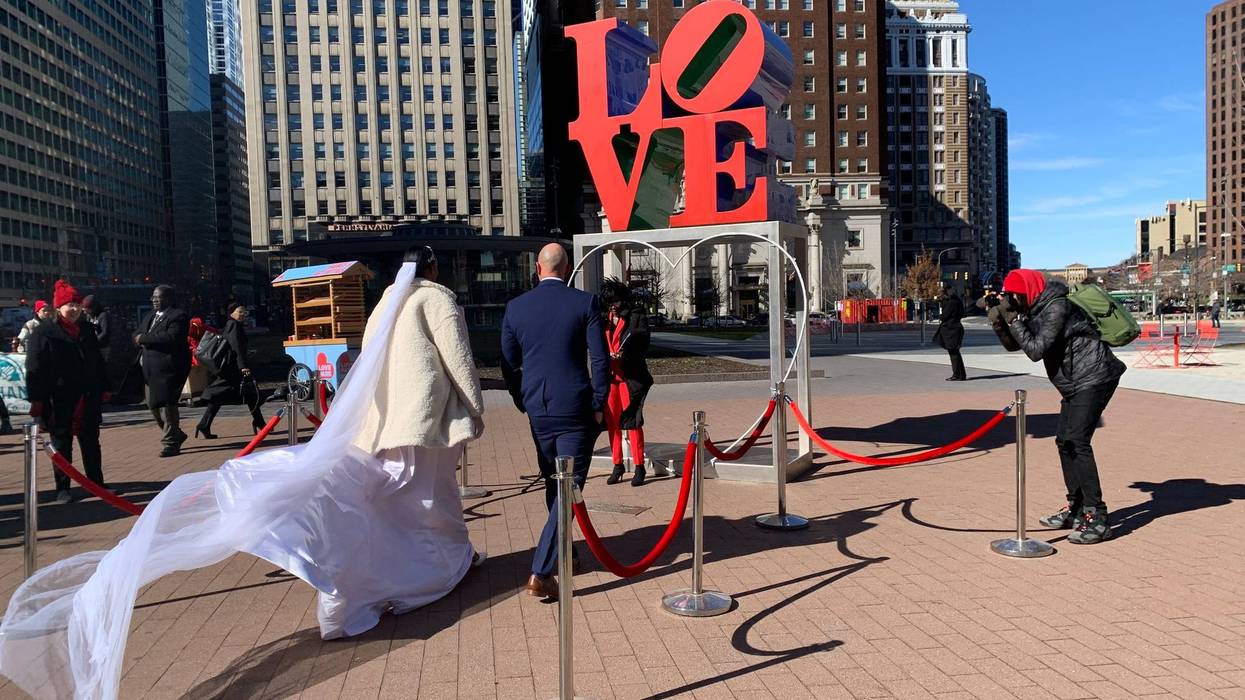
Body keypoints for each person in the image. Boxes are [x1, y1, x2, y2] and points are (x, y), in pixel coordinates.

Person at [0, 254, 486, 699]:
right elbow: (458, 362)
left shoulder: (386, 303)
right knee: (427, 500)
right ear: (435, 271)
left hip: (383, 423)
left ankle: (408, 571)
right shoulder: (436, 299)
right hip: (425, 421)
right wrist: (476, 410)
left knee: (392, 500)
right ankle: (428, 571)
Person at [501, 243, 609, 599]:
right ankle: (542, 571)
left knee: (554, 483)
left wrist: (521, 398)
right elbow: (600, 358)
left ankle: (565, 552)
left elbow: (508, 361)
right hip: (576, 408)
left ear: (538, 268)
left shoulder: (516, 308)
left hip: (539, 409)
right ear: (567, 269)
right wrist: (598, 401)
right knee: (568, 488)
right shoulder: (585, 303)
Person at [1000, 269, 1126, 545]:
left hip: (1095, 376)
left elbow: (1036, 350)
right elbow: (1015, 345)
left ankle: (1098, 516)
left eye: (1014, 296)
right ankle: (1077, 508)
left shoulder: (1057, 306)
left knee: (1078, 441)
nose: (1012, 300)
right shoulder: (1037, 308)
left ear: (1029, 291)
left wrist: (1015, 319)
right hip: (1074, 382)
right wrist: (1001, 320)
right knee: (1064, 441)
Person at [25, 280, 107, 504]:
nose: (73, 309)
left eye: (76, 304)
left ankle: (96, 484)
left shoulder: (87, 330)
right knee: (61, 445)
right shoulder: (44, 332)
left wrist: (104, 387)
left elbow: (97, 362)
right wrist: (37, 401)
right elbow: (34, 368)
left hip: (86, 395)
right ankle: (63, 488)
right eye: (68, 305)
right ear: (58, 307)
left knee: (91, 441)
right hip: (59, 397)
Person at [598, 279, 653, 487]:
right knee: (612, 424)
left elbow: (642, 341)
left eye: (615, 302)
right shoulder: (604, 318)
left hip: (629, 377)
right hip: (611, 378)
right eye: (609, 303)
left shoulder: (635, 315)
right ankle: (617, 464)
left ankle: (639, 466)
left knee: (632, 422)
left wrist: (625, 353)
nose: (612, 306)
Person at [134, 285, 191, 457]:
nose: (155, 300)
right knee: (152, 404)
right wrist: (139, 337)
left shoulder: (178, 316)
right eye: (153, 297)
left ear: (169, 298)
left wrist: (143, 339)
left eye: (159, 297)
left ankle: (170, 443)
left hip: (169, 368)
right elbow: (137, 333)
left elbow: (170, 337)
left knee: (168, 405)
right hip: (150, 368)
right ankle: (177, 434)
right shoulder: (150, 315)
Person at [196, 303, 266, 438]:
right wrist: (243, 366)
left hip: (231, 368)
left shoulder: (232, 325)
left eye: (245, 313)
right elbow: (236, 347)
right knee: (249, 393)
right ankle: (260, 423)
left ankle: (204, 424)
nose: (243, 315)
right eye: (240, 312)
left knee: (234, 395)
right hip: (233, 369)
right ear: (231, 312)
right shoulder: (233, 325)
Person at [933, 284, 967, 381]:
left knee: (953, 353)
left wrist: (941, 310)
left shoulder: (951, 303)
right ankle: (961, 374)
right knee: (955, 352)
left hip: (951, 329)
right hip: (956, 328)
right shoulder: (958, 301)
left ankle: (957, 374)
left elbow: (944, 316)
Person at [82, 295, 111, 360]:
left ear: (92, 308)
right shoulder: (89, 316)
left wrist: (93, 341)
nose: (84, 312)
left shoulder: (103, 315)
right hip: (93, 347)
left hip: (102, 347)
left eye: (86, 309)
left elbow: (105, 332)